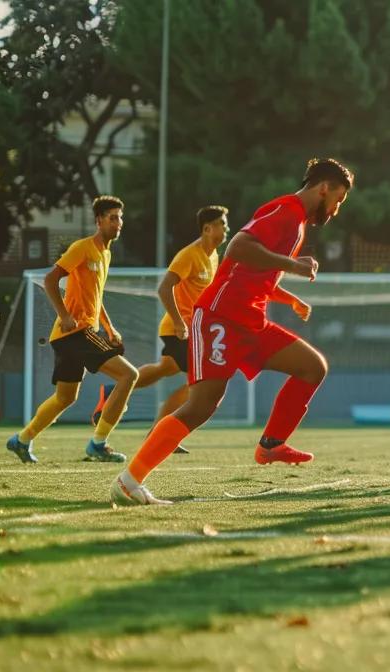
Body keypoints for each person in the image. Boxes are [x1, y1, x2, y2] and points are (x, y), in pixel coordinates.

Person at [112, 158, 350, 505]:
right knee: (200, 406)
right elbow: (238, 249)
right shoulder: (286, 210)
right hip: (219, 318)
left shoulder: (296, 220)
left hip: (251, 322)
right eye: (338, 199)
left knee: (312, 367)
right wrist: (292, 265)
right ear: (324, 188)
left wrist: (289, 297)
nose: (336, 209)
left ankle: (271, 445)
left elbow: (254, 274)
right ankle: (129, 481)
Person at [4, 196, 140, 464]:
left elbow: (95, 297)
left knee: (65, 398)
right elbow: (50, 279)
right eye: (112, 218)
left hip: (71, 336)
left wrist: (109, 327)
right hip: (75, 332)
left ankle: (21, 440)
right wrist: (64, 315)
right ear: (99, 220)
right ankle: (98, 444)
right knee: (129, 375)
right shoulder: (82, 248)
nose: (118, 223)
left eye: (120, 217)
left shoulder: (105, 253)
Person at [129, 206, 224, 454]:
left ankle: (115, 391)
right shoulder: (188, 255)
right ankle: (158, 435)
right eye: (222, 224)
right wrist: (180, 322)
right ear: (207, 228)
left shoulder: (213, 256)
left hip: (194, 331)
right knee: (199, 384)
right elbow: (164, 288)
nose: (227, 229)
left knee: (164, 369)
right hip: (178, 329)